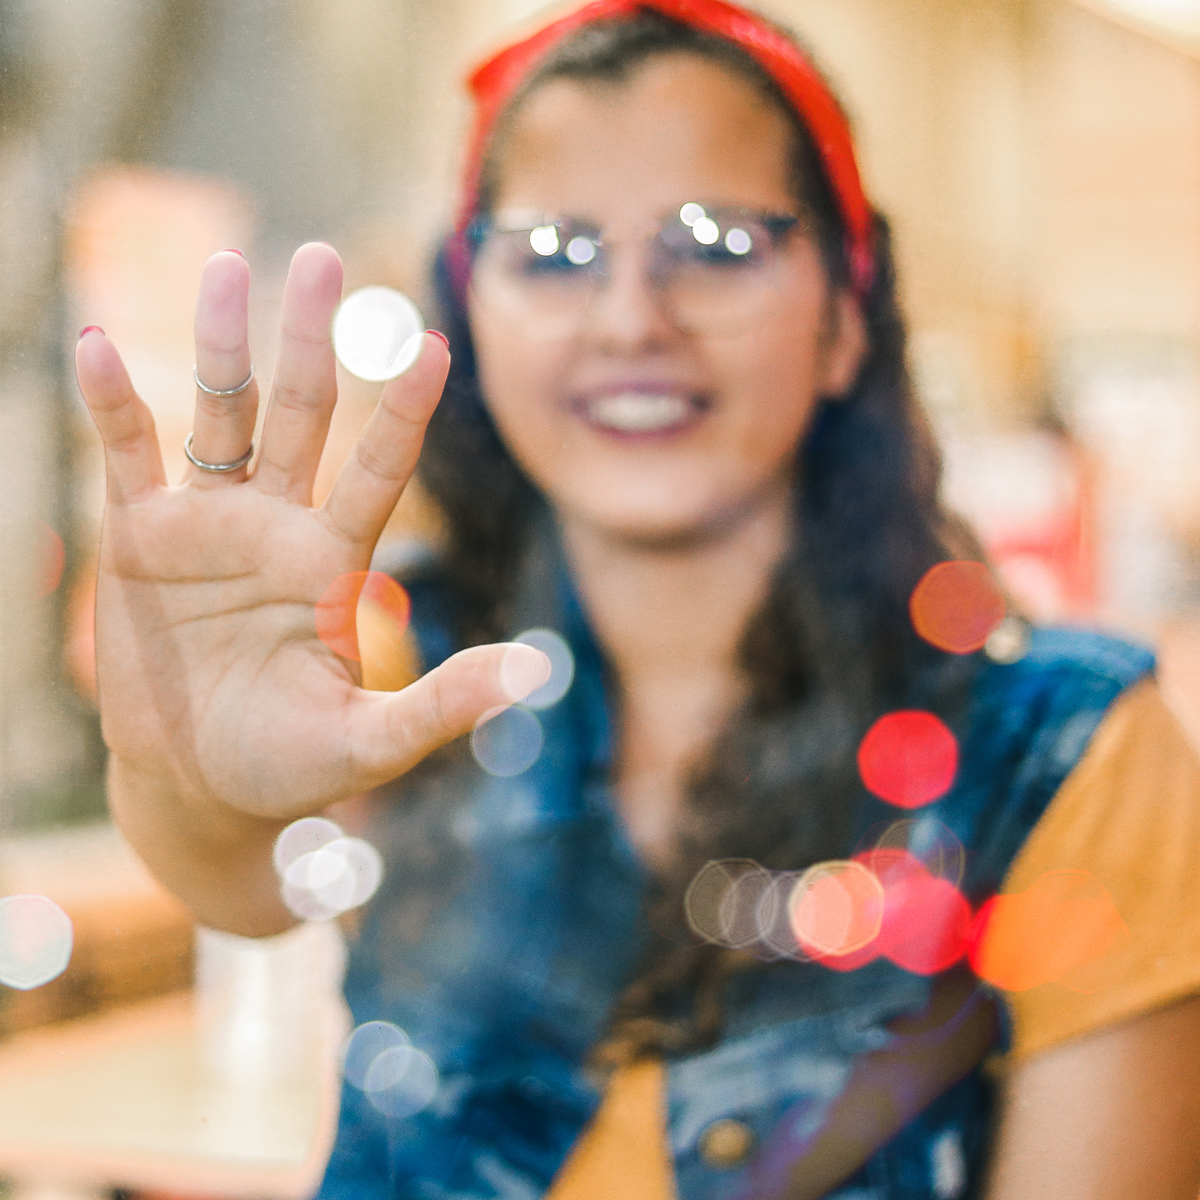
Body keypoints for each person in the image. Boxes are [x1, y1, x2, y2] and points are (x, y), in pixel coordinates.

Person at [73, 1, 1200, 1196]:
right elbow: (238, 878)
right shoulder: (408, 659)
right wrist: (180, 767)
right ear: (473, 317)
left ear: (842, 316)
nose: (630, 320)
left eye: (717, 245)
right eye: (554, 253)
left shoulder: (1063, 754)